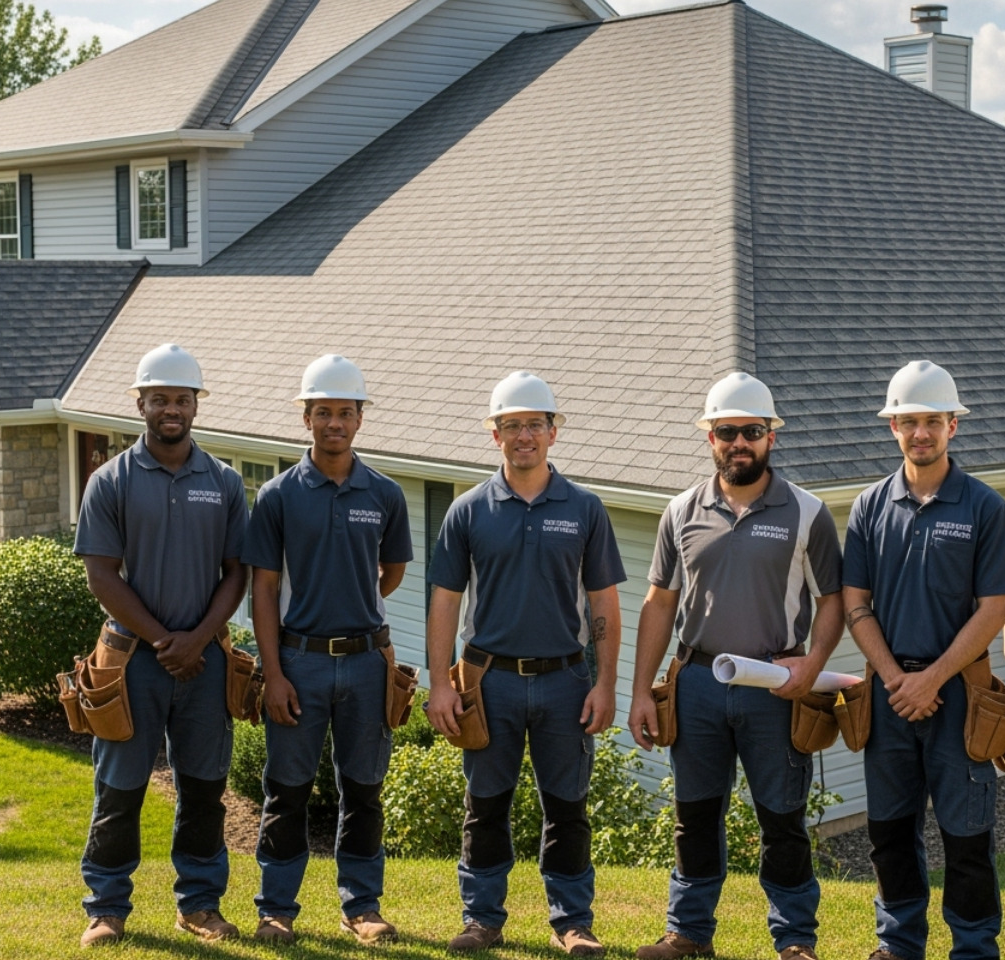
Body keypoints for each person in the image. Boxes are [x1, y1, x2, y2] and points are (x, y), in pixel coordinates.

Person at [628, 372, 844, 960]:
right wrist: (641, 691)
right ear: (711, 438)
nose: (739, 442)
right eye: (727, 432)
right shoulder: (680, 511)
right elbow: (659, 603)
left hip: (774, 686)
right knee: (694, 815)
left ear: (771, 436)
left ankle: (794, 939)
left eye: (751, 431)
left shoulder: (807, 513)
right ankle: (688, 932)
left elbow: (833, 600)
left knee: (782, 818)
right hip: (696, 682)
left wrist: (812, 664)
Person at [424, 371, 626, 957]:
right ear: (495, 435)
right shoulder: (468, 510)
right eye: (511, 425)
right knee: (485, 806)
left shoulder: (585, 509)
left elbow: (604, 602)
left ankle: (572, 923)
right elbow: (445, 600)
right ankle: (481, 919)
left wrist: (606, 684)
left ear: (553, 432)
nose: (524, 436)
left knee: (567, 808)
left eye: (535, 424)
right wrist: (440, 683)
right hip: (489, 683)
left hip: (566, 681)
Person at [840, 360, 1005, 960]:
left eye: (933, 422)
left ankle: (973, 948)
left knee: (967, 836)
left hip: (960, 697)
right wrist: (899, 680)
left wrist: (933, 679)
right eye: (910, 421)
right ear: (893, 426)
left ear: (953, 426)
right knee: (890, 832)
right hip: (889, 696)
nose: (921, 432)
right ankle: (898, 945)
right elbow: (855, 604)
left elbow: (994, 610)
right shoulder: (869, 507)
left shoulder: (984, 508)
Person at [73, 343, 248, 948]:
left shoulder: (224, 481)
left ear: (196, 405)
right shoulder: (110, 481)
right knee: (119, 790)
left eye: (181, 398)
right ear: (140, 404)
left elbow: (236, 573)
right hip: (130, 663)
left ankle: (198, 905)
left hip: (205, 662)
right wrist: (163, 640)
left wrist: (195, 642)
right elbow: (101, 575)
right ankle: (106, 908)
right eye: (159, 399)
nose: (171, 408)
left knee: (203, 790)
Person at [243, 354, 414, 946]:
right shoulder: (278, 496)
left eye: (344, 412)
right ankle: (276, 909)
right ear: (306, 418)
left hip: (367, 663)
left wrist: (353, 602)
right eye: (323, 412)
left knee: (363, 791)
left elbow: (391, 572)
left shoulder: (385, 494)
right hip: (299, 663)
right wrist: (273, 673)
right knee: (286, 791)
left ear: (360, 418)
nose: (334, 422)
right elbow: (264, 589)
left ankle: (361, 907)